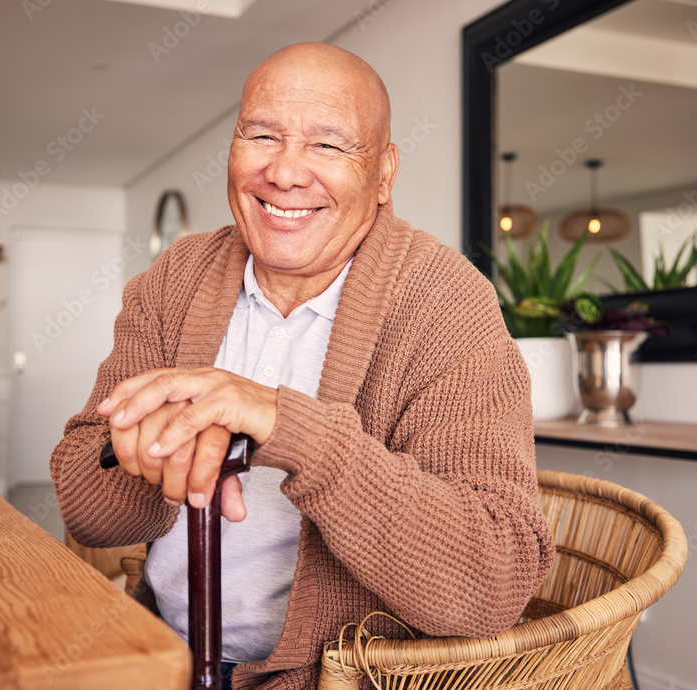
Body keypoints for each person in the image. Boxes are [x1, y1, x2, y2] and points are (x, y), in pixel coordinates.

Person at [51, 42, 555, 690]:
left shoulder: (445, 302)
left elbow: (493, 581)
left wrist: (285, 425)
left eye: (328, 145)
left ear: (384, 173)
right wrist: (148, 454)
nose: (285, 173)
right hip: (158, 656)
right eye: (261, 134)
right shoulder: (176, 277)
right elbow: (86, 507)